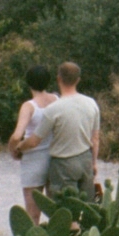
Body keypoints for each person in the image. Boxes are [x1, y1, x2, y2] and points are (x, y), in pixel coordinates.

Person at [14, 61, 100, 201]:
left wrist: (19, 147)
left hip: (64, 163)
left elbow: (35, 140)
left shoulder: (54, 109)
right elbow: (95, 138)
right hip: (85, 158)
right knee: (87, 206)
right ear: (78, 80)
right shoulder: (91, 103)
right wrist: (94, 163)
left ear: (58, 78)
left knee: (66, 209)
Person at [8, 64, 57, 222]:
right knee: (55, 210)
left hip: (33, 159)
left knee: (32, 213)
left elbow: (17, 136)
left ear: (28, 83)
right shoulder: (56, 99)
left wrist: (14, 150)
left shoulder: (29, 106)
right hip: (54, 157)